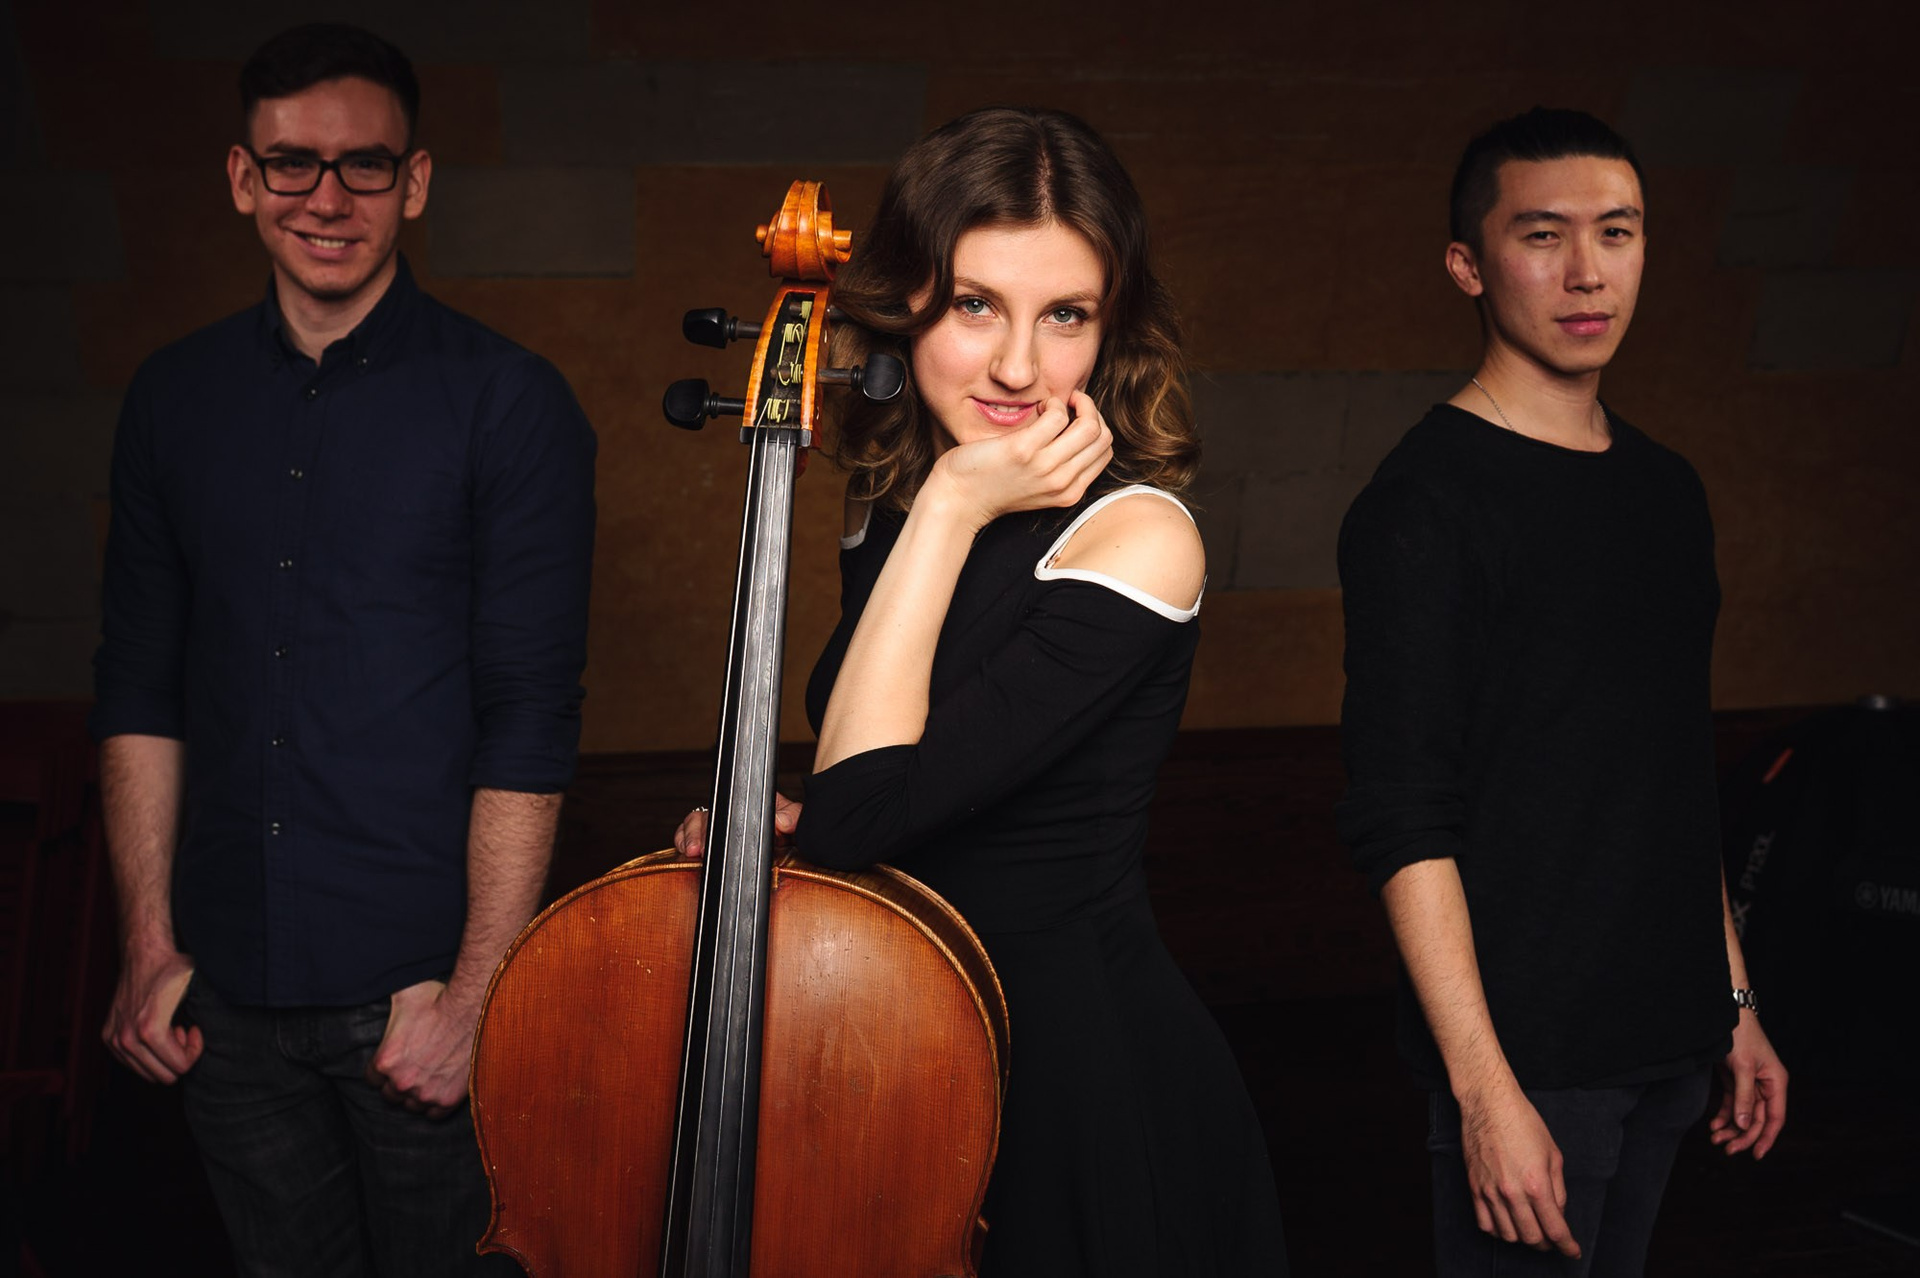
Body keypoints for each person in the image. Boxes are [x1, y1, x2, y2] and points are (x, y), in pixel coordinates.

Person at [676, 107, 1287, 1275]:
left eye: (1066, 315)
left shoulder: (1137, 538)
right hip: (907, 1046)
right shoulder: (895, 500)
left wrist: (958, 500)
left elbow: (864, 809)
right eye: (974, 305)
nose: (1017, 366)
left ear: (1112, 327)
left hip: (1073, 1081)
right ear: (907, 301)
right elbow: (889, 784)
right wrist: (781, 835)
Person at [91, 23, 595, 1277]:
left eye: (364, 165)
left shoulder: (509, 401)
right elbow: (139, 688)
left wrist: (474, 998)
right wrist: (149, 947)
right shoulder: (171, 398)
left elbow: (529, 717)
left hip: (417, 1001)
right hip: (223, 1004)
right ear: (242, 177)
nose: (327, 199)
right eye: (291, 164)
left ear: (413, 182)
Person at [1336, 107, 1787, 1276]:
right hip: (1531, 1064)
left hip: (1673, 1041)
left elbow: (1670, 776)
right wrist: (1484, 1091)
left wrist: (1734, 1005)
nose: (1589, 272)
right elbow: (1401, 817)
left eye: (1617, 232)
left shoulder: (1668, 490)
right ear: (1468, 265)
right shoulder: (1424, 504)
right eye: (1543, 235)